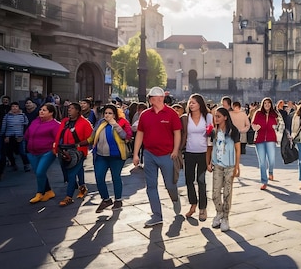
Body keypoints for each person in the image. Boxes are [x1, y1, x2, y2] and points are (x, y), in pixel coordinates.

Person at [132, 87, 183, 227]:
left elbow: (177, 133)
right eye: (155, 97)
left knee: (170, 185)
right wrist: (136, 154)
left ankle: (175, 198)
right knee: (151, 186)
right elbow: (140, 134)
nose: (158, 99)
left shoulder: (171, 113)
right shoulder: (145, 115)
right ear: (151, 99)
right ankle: (157, 215)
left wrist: (175, 150)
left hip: (167, 154)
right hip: (149, 154)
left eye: (160, 96)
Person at [88, 104, 132, 213]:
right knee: (99, 177)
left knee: (115, 177)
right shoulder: (100, 123)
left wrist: (115, 124)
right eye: (106, 113)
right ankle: (106, 199)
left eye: (110, 113)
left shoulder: (122, 122)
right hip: (101, 155)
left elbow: (126, 136)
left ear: (115, 114)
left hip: (116, 156)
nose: (107, 115)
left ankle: (118, 200)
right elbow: (93, 136)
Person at [207, 106, 241, 232]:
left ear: (225, 117)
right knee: (215, 193)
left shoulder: (233, 131)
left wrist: (237, 167)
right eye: (215, 116)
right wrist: (208, 162)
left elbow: (238, 150)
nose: (215, 118)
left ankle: (226, 217)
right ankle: (219, 212)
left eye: (218, 116)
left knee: (227, 193)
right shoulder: (213, 131)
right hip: (217, 165)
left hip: (229, 166)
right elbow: (210, 147)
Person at [53, 102, 94, 206]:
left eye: (72, 108)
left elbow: (91, 138)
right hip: (63, 150)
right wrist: (56, 147)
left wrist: (79, 145)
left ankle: (69, 197)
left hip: (78, 152)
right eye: (69, 108)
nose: (69, 110)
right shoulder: (65, 121)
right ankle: (82, 187)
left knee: (71, 174)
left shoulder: (85, 123)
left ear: (78, 111)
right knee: (72, 171)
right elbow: (58, 135)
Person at [180, 94, 213, 221]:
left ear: (200, 104)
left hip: (203, 152)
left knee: (201, 181)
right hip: (189, 152)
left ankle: (202, 208)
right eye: (190, 102)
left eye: (193, 102)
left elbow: (211, 137)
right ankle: (193, 204)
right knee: (189, 180)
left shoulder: (208, 117)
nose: (191, 104)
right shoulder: (185, 118)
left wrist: (210, 158)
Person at [24, 103, 61, 203]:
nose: (41, 111)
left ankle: (39, 193)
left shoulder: (56, 125)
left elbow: (58, 140)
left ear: (51, 113)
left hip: (47, 152)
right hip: (32, 152)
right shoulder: (35, 121)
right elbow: (27, 134)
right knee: (39, 173)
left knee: (40, 172)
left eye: (44, 110)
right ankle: (48, 191)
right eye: (41, 109)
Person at [251, 97, 283, 190]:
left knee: (271, 159)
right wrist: (256, 127)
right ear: (262, 104)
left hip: (271, 138)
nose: (267, 105)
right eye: (265, 103)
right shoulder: (258, 113)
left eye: (268, 103)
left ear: (271, 104)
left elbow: (281, 124)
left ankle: (271, 172)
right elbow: (253, 123)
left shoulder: (275, 114)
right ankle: (264, 181)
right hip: (259, 139)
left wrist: (276, 127)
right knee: (262, 162)